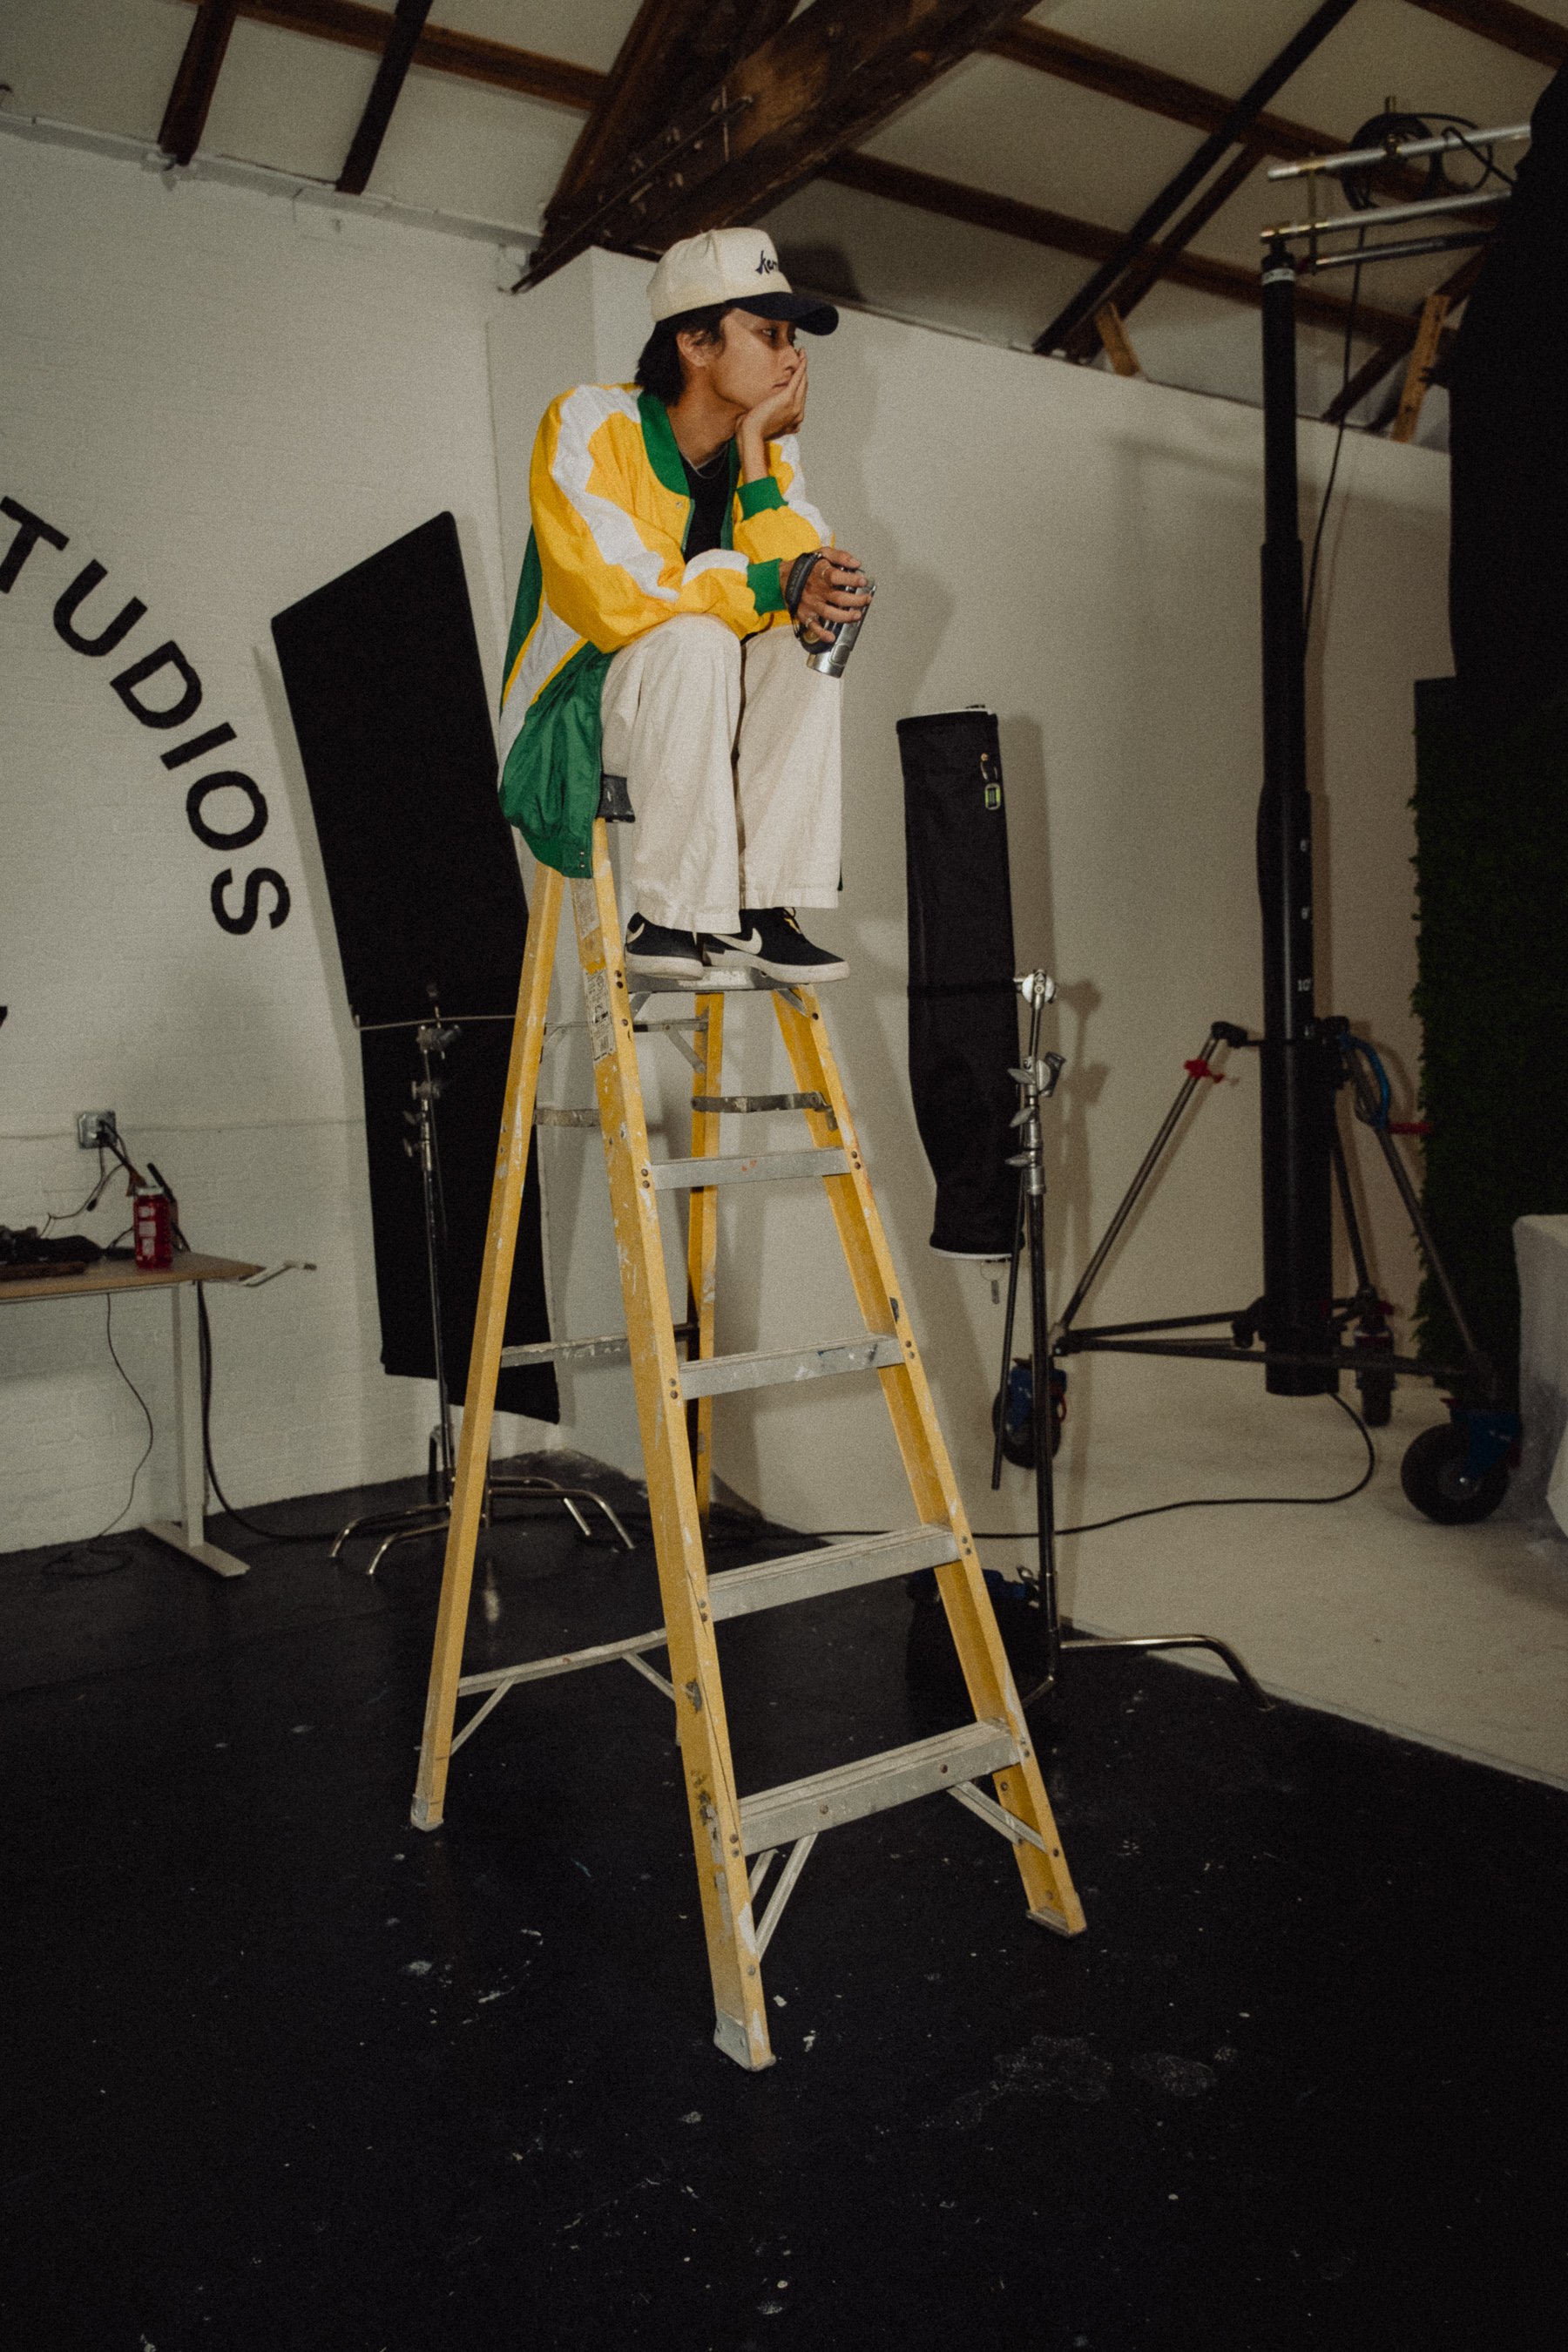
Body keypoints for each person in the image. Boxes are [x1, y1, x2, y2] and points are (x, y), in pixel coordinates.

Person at [497, 226, 870, 983]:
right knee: (697, 636)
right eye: (768, 334)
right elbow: (620, 597)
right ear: (696, 344)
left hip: (704, 710)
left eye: (793, 339)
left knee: (810, 647)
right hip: (577, 711)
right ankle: (668, 913)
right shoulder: (586, 422)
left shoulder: (770, 455)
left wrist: (758, 455)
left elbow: (797, 593)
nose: (792, 360)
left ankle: (761, 906)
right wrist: (773, 584)